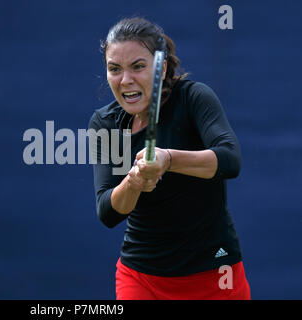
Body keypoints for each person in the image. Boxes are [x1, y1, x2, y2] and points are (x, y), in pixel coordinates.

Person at [89, 17, 251, 300]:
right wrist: (135, 180)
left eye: (138, 66)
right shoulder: (106, 123)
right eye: (115, 69)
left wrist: (168, 159)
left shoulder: (194, 98)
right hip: (140, 279)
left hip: (215, 276)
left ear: (161, 68)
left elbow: (230, 159)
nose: (125, 80)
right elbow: (108, 211)